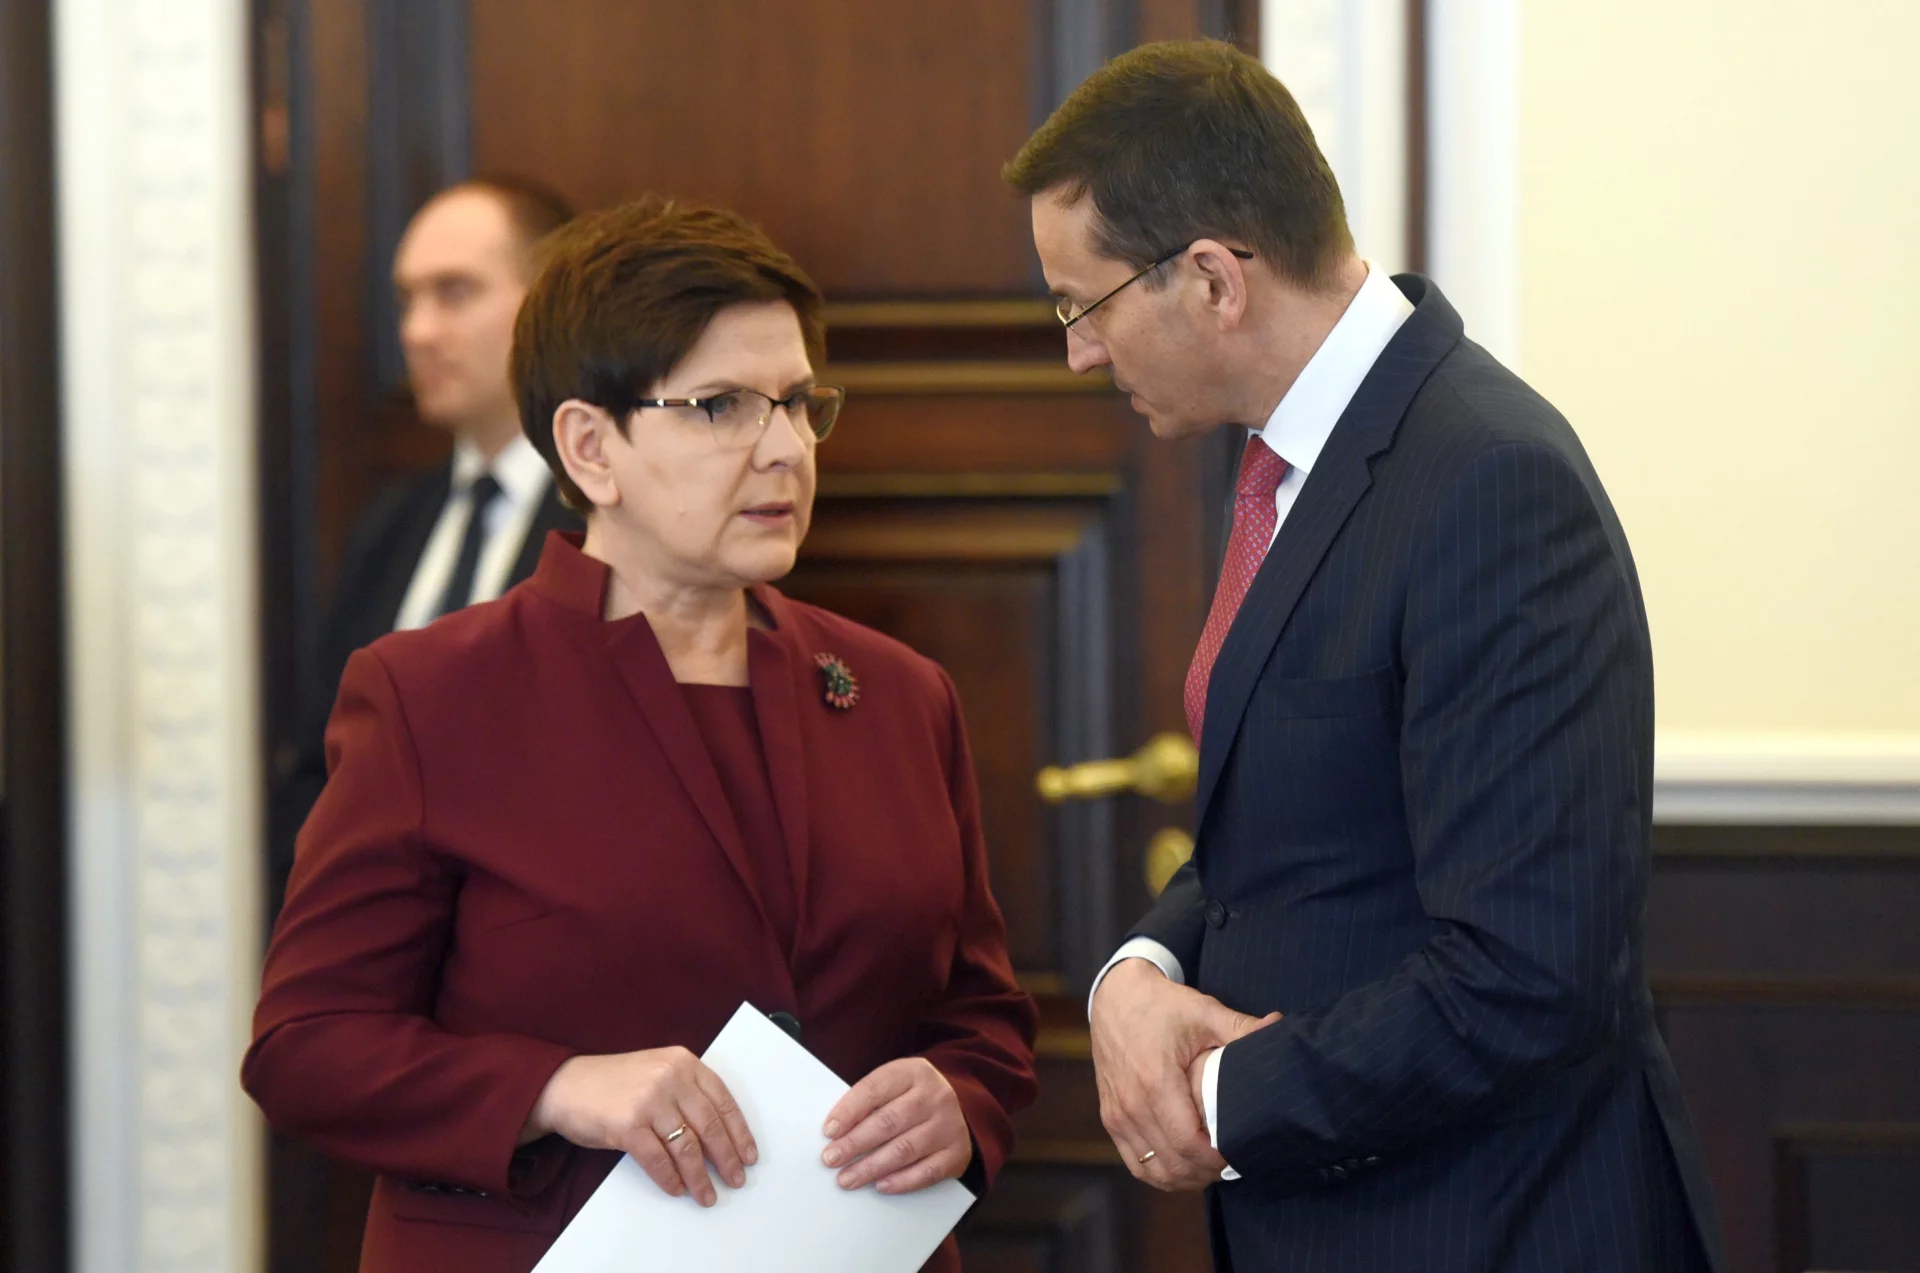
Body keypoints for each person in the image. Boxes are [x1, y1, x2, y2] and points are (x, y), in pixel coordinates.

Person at [1006, 40, 1726, 1273]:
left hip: (1490, 1224)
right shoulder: (1292, 456)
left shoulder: (1489, 479)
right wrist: (1143, 966)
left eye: (1085, 304)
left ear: (1214, 280)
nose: (1076, 351)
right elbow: (1304, 829)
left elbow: (1531, 972)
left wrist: (1218, 1103)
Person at [243, 196, 1038, 1272]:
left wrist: (963, 1099)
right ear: (590, 446)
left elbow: (982, 1014)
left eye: (801, 404)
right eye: (721, 407)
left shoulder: (902, 693)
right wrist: (559, 1086)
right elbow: (306, 1049)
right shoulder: (430, 696)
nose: (785, 450)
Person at [270, 176, 582, 907]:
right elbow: (321, 761)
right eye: (407, 300)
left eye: (454, 292)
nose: (417, 331)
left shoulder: (613, 524)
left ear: (549, 301)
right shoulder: (392, 522)